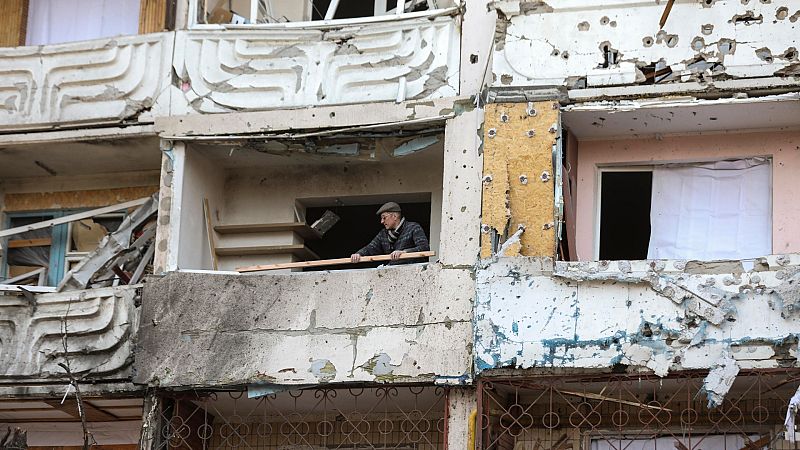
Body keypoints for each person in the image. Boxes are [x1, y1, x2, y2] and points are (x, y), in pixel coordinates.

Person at [350, 202, 430, 265]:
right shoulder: (383, 234)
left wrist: (404, 252)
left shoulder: (413, 227)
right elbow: (370, 248)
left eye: (384, 217)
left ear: (394, 217)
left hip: (413, 270)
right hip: (393, 270)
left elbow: (424, 247)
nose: (382, 221)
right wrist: (358, 254)